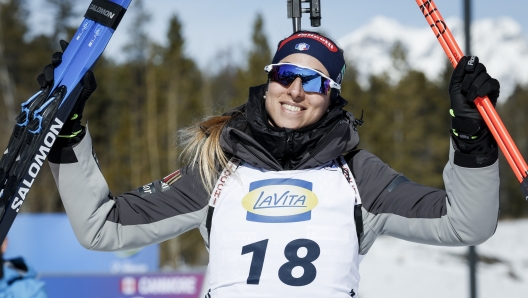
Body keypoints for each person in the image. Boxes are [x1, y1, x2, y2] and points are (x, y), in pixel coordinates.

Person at [46, 30, 500, 297]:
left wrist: (471, 133)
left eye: (314, 82)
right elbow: (102, 228)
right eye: (285, 75)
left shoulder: (358, 174)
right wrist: (67, 137)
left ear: (332, 96)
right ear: (267, 84)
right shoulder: (218, 169)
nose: (296, 91)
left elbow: (465, 224)